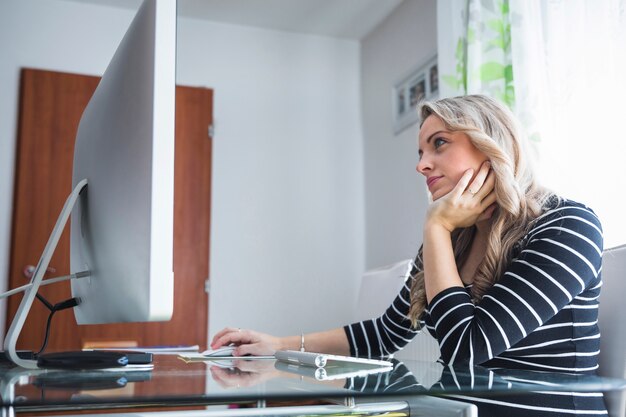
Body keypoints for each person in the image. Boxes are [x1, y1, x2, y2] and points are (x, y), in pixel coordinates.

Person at [211, 94, 603, 374]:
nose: (422, 165)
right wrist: (276, 346)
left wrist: (435, 226)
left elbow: (466, 350)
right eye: (420, 152)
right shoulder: (452, 239)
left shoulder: (568, 226)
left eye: (439, 144)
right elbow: (383, 335)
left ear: (491, 147)